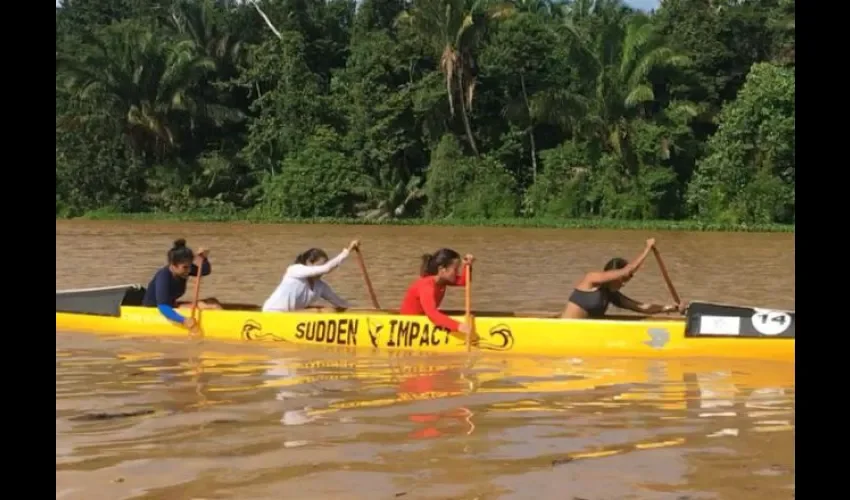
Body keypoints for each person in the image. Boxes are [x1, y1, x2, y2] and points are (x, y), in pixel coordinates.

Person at [561, 238, 685, 319]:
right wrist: (647, 249)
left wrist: (670, 308)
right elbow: (628, 270)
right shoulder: (591, 279)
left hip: (584, 333)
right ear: (613, 274)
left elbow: (641, 307)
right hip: (565, 330)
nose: (623, 284)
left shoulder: (612, 295)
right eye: (622, 280)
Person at [142, 239, 221, 329]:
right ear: (173, 265)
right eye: (185, 267)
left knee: (213, 301)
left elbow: (205, 271)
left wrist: (204, 258)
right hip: (155, 310)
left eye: (190, 266)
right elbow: (163, 307)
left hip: (171, 306)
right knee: (212, 306)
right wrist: (183, 320)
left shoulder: (185, 270)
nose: (189, 270)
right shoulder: (163, 276)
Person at [262, 240, 360, 312]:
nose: (322, 271)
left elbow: (340, 303)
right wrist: (347, 251)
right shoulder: (295, 270)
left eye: (324, 264)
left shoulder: (320, 286)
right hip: (271, 313)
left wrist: (357, 312)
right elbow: (327, 268)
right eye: (320, 265)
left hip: (289, 317)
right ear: (309, 262)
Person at [399, 248, 474, 335]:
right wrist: (458, 326)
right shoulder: (426, 285)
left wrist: (467, 266)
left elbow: (464, 282)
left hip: (423, 320)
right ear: (442, 269)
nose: (457, 273)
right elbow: (432, 313)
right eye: (455, 269)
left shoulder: (443, 281)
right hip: (407, 326)